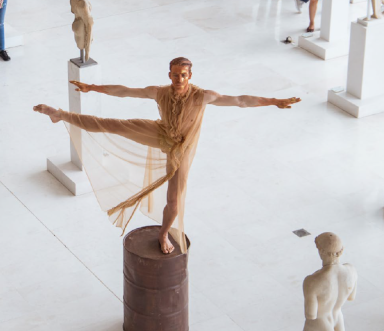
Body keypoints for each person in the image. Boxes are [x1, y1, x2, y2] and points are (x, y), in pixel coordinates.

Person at [34, 57, 300, 254]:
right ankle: (60, 115)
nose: (179, 79)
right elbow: (125, 91)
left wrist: (274, 101)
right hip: (160, 133)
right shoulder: (159, 91)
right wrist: (92, 87)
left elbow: (241, 100)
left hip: (182, 149)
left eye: (183, 75)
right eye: (175, 75)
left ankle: (163, 234)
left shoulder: (203, 96)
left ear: (190, 75)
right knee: (114, 124)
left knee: (174, 199)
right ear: (169, 74)